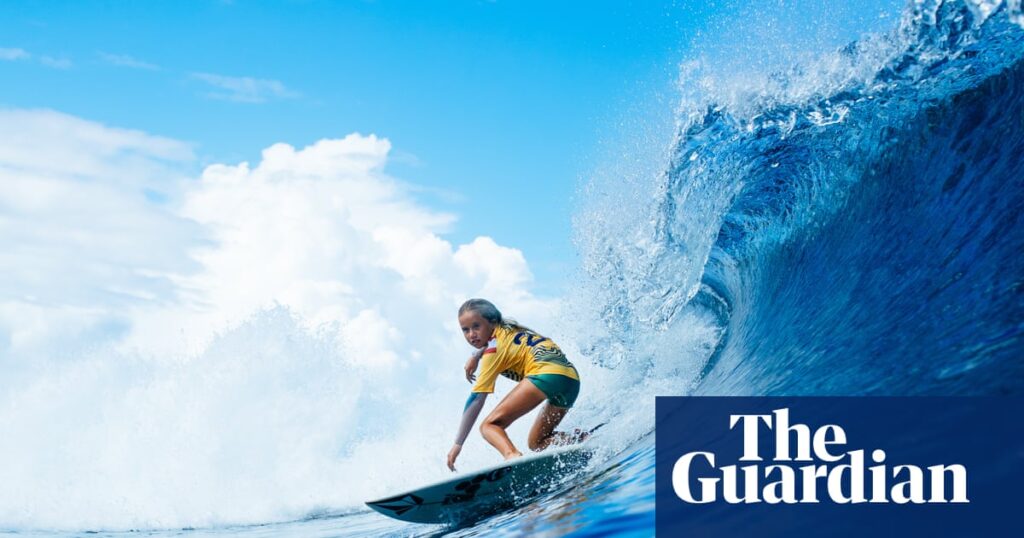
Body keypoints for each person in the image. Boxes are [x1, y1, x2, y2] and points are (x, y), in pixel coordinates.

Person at [446, 298, 584, 471]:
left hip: (545, 374)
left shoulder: (493, 351)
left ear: (492, 322)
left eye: (476, 326)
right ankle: (584, 439)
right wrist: (476, 355)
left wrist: (458, 444)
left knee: (489, 426)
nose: (471, 334)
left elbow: (476, 399)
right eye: (465, 330)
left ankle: (512, 455)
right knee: (537, 442)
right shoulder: (508, 327)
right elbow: (491, 341)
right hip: (570, 379)